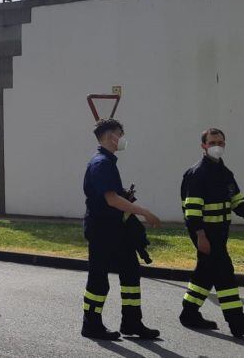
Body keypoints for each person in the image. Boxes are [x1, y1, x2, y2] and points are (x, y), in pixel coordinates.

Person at [179, 128, 244, 337]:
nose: (216, 146)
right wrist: (200, 236)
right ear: (203, 146)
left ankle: (189, 313)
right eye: (212, 143)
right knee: (224, 275)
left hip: (220, 234)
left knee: (205, 274)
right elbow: (192, 211)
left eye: (220, 142)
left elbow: (237, 200)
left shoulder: (225, 173)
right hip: (205, 234)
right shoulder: (197, 174)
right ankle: (238, 323)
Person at [80, 119, 162, 340]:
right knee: (99, 278)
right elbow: (112, 199)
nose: (123, 138)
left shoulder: (107, 162)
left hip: (116, 230)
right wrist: (144, 212)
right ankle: (91, 324)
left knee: (131, 272)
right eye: (120, 133)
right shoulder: (101, 163)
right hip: (102, 230)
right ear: (111, 136)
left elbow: (114, 195)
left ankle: (132, 322)